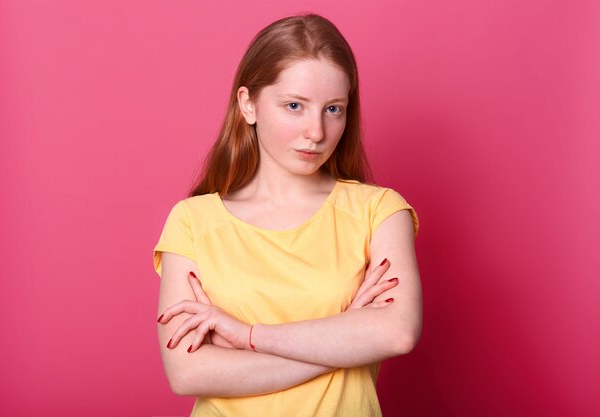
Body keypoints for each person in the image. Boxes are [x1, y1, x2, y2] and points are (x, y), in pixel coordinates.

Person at [152, 13, 422, 417]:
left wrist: (246, 336)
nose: (316, 131)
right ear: (248, 104)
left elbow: (397, 333)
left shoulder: (379, 211)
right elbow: (187, 372)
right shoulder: (193, 221)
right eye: (295, 106)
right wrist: (343, 339)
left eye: (333, 109)